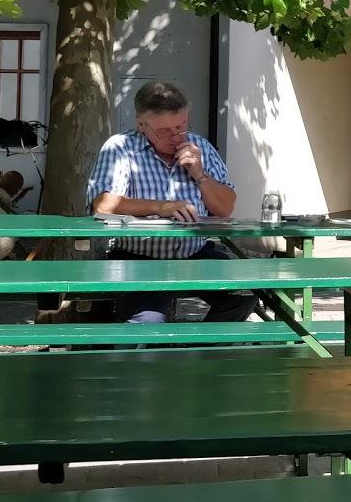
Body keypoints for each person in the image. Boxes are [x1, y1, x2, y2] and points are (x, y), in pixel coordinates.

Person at [86, 80, 255, 323]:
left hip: (194, 254)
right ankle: (153, 353)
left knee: (245, 294)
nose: (176, 136)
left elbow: (225, 208)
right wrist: (161, 206)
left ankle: (198, 354)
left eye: (181, 125)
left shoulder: (200, 148)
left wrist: (199, 174)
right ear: (141, 124)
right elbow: (102, 204)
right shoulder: (120, 147)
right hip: (139, 258)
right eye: (164, 131)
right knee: (149, 322)